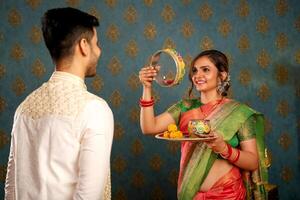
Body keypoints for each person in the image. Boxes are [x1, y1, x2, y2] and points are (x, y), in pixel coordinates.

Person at [5, 7, 114, 200]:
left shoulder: (24, 108)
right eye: (96, 43)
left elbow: (11, 189)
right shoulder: (95, 110)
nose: (99, 51)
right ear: (83, 45)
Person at [139, 50, 268, 200]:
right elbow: (149, 127)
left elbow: (253, 162)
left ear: (222, 75)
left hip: (228, 194)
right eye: (194, 70)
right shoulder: (185, 107)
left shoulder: (238, 112)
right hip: (191, 193)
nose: (197, 75)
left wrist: (224, 149)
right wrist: (147, 87)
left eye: (205, 70)